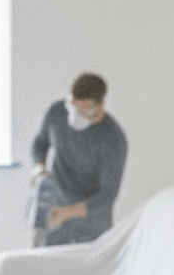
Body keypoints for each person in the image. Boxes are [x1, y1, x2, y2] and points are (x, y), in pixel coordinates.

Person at [30, 73, 127, 246]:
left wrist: (67, 213)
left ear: (100, 107)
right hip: (56, 209)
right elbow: (40, 143)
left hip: (91, 220)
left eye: (83, 110)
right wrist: (38, 167)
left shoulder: (112, 139)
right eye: (73, 106)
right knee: (45, 265)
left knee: (89, 270)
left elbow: (107, 195)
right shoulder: (57, 112)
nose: (75, 115)